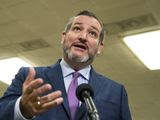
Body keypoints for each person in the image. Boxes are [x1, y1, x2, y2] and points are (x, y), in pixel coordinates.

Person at [0, 10, 132, 120]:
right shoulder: (30, 76)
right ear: (63, 37)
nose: (83, 37)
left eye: (92, 33)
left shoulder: (116, 92)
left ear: (99, 47)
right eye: (77, 28)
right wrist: (22, 109)